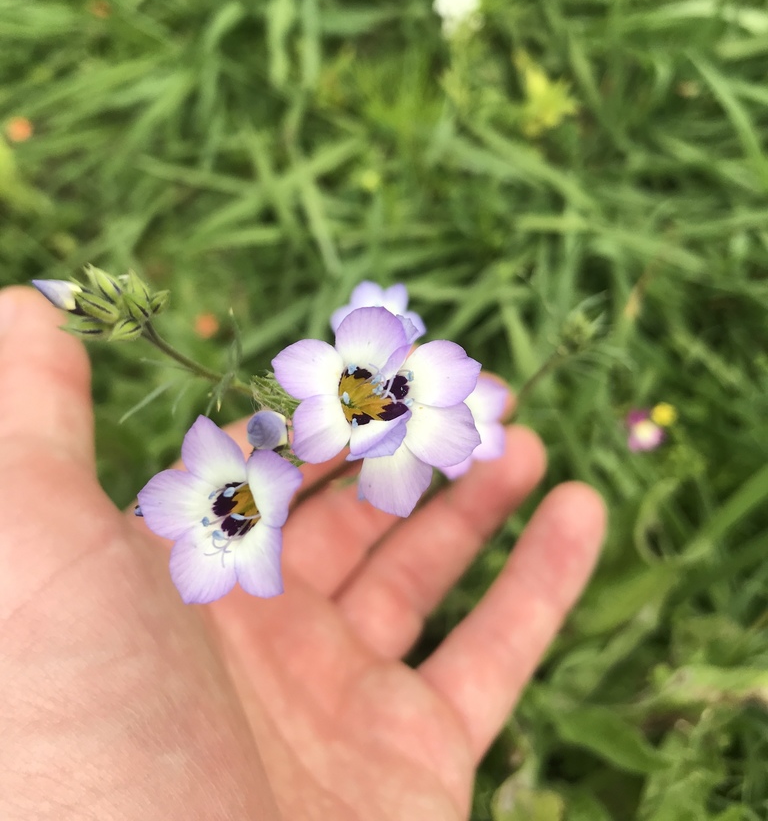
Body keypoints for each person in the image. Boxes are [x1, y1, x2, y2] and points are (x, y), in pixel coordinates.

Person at [0, 287, 605, 820]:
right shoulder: (304, 418)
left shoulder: (358, 419)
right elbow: (300, 440)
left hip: (340, 447)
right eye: (355, 390)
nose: (365, 397)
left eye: (371, 394)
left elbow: (320, 438)